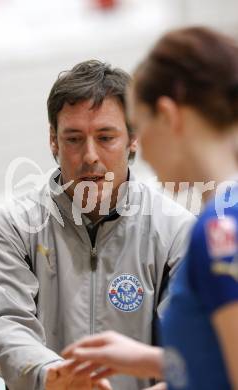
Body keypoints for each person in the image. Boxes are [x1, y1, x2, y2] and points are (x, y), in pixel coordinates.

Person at [0, 60, 193, 390]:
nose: (90, 155)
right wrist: (53, 376)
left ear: (132, 138)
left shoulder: (177, 232)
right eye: (74, 139)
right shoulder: (11, 227)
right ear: (53, 140)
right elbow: (4, 325)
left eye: (106, 137)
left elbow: (189, 345)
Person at [62, 28, 238, 390]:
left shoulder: (220, 228)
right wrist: (147, 359)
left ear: (168, 116)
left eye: (139, 128)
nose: (142, 153)